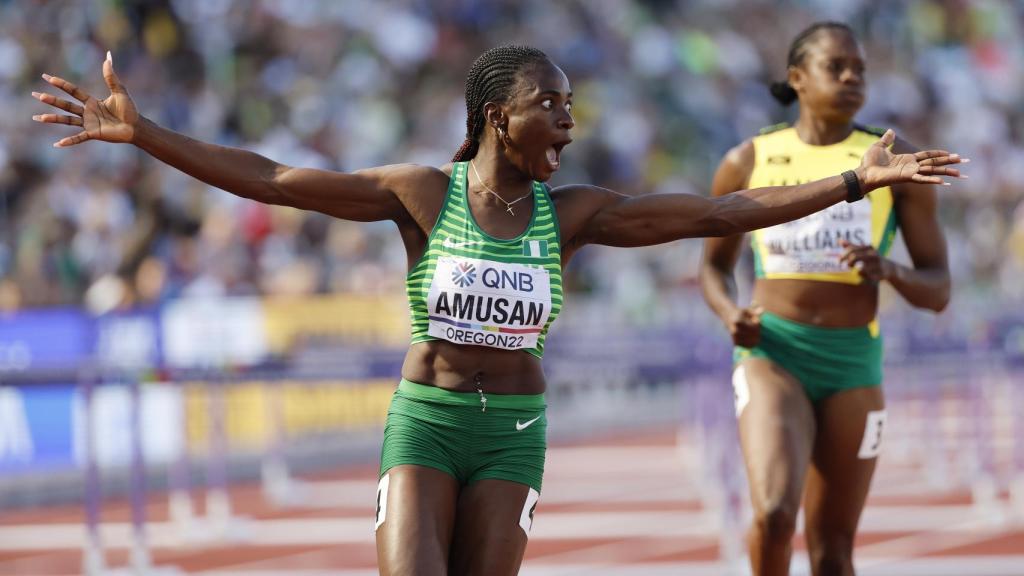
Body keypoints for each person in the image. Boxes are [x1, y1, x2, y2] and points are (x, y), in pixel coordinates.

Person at [33, 44, 961, 576]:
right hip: (427, 422)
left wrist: (851, 177)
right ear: (493, 118)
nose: (567, 123)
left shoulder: (575, 214)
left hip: (515, 430)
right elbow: (274, 179)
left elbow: (720, 213)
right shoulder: (419, 194)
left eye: (571, 107)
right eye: (549, 105)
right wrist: (143, 134)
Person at [699, 22, 954, 576]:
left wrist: (888, 269)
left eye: (860, 69)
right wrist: (730, 315)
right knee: (772, 512)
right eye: (835, 67)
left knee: (833, 551)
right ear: (797, 78)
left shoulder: (894, 159)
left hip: (852, 364)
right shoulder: (748, 159)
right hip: (774, 353)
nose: (851, 78)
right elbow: (714, 271)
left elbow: (939, 290)